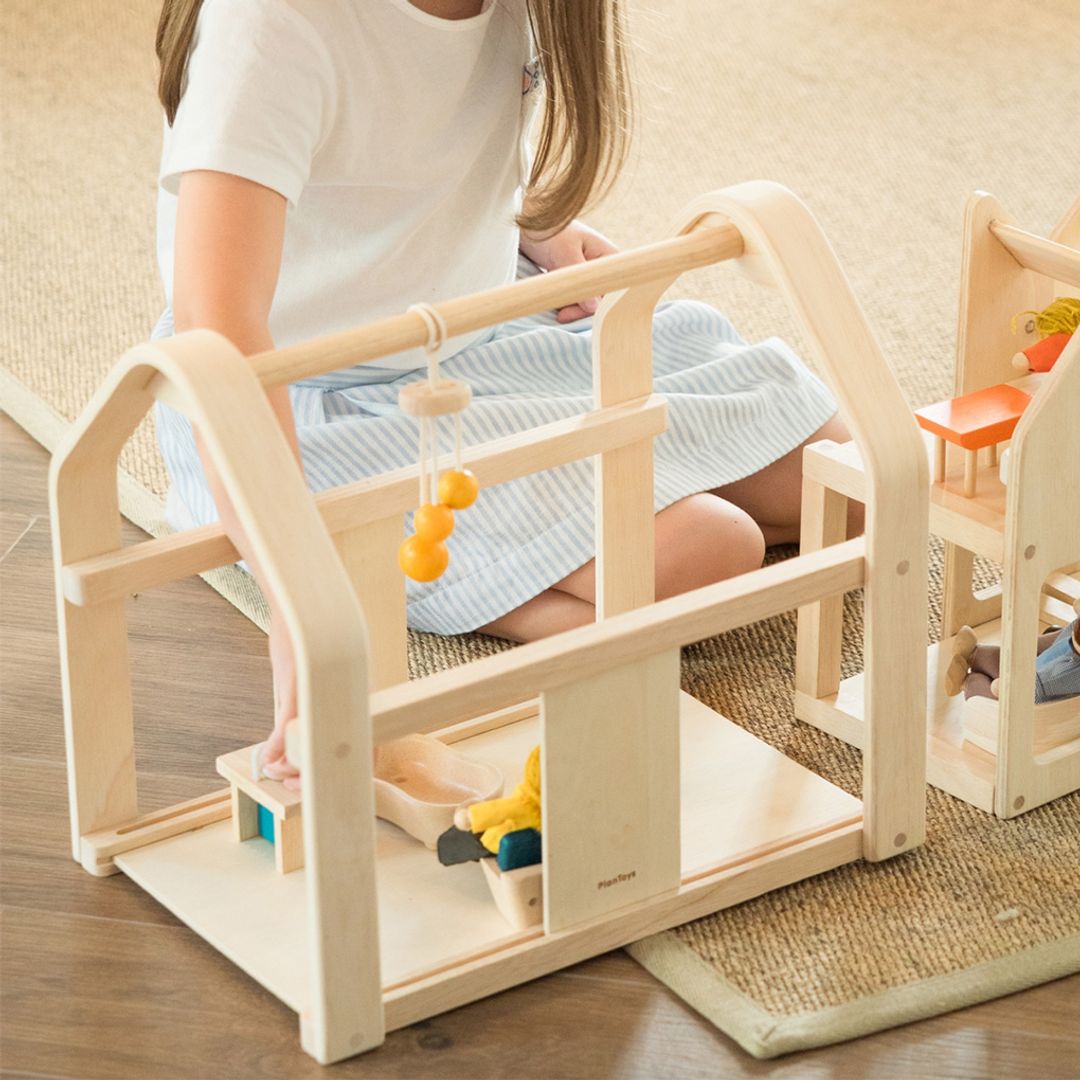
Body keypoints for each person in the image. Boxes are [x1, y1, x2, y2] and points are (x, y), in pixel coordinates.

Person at [151, 0, 859, 782]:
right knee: (712, 551)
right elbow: (218, 330)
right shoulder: (273, 22)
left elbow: (415, 138)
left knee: (846, 483)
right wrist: (303, 609)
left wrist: (530, 226)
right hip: (311, 402)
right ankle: (490, 597)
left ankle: (531, 567)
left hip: (489, 328)